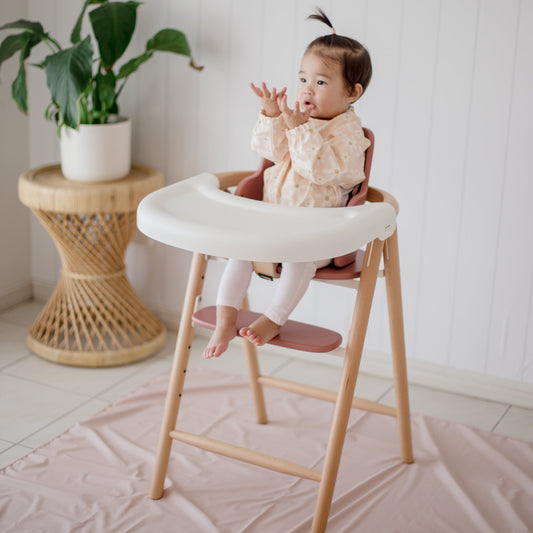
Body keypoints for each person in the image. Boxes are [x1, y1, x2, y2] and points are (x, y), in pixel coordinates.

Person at [204, 8, 372, 358]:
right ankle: (225, 318)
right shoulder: (294, 118)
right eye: (302, 79)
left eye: (321, 82)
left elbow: (321, 170)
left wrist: (299, 128)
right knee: (239, 253)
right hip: (271, 224)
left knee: (300, 263)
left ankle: (274, 318)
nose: (307, 89)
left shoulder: (350, 135)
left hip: (318, 236)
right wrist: (271, 116)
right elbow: (270, 151)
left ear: (352, 92)